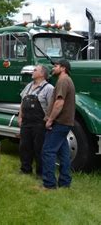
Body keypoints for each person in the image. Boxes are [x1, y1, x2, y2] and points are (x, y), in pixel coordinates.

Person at [42, 59, 76, 189]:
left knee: (48, 151)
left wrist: (50, 119)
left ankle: (49, 184)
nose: (53, 68)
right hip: (65, 123)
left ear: (63, 68)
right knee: (64, 153)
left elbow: (59, 103)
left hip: (59, 122)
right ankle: (65, 182)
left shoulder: (62, 81)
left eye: (56, 66)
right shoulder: (68, 80)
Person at [17, 65, 54, 176]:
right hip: (26, 122)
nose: (32, 71)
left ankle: (40, 172)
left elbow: (51, 106)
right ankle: (25, 169)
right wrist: (20, 117)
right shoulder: (28, 86)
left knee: (39, 148)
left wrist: (48, 119)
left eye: (35, 70)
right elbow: (23, 102)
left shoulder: (49, 88)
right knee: (24, 147)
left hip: (39, 123)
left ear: (42, 74)